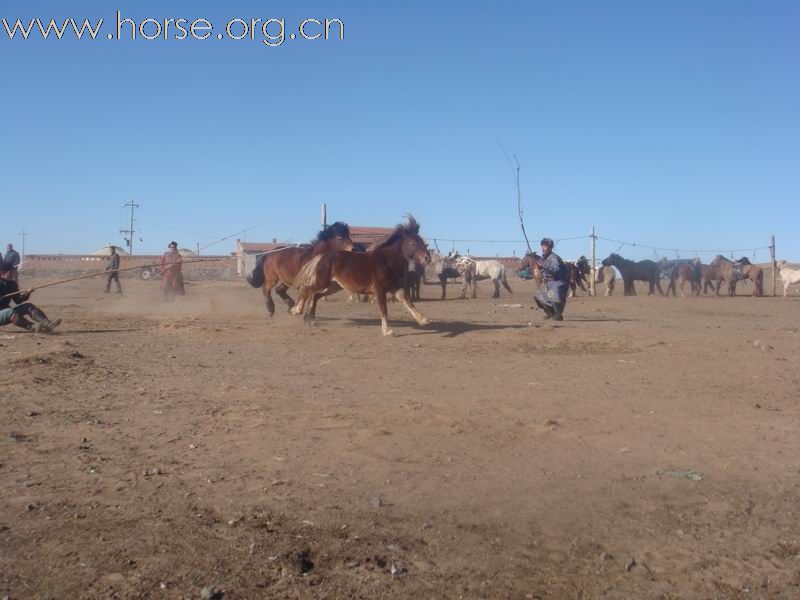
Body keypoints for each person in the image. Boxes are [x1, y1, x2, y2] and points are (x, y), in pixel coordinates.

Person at [0, 262, 62, 333]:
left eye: (13, 272)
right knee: (9, 312)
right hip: (6, 313)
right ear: (2, 273)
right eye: (10, 272)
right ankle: (32, 327)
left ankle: (47, 324)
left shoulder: (12, 284)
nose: (13, 274)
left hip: (5, 312)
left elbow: (18, 300)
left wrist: (27, 293)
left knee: (28, 306)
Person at [533, 237, 569, 321]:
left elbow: (555, 269)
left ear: (550, 248)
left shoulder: (554, 258)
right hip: (549, 282)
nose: (543, 248)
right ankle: (550, 313)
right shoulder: (544, 258)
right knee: (538, 296)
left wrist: (544, 266)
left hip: (558, 281)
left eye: (545, 246)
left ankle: (558, 315)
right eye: (542, 246)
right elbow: (543, 270)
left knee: (553, 295)